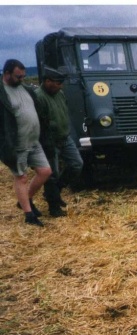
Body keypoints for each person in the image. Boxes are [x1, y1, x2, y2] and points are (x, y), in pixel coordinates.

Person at [0, 59, 51, 226]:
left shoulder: (27, 89)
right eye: (18, 76)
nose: (21, 79)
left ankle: (25, 200)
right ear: (6, 74)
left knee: (45, 171)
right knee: (21, 177)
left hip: (34, 141)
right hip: (17, 144)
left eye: (23, 76)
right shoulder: (2, 93)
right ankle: (29, 215)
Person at [35, 66, 83, 217]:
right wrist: (46, 142)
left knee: (76, 164)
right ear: (48, 81)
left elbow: (64, 112)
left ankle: (56, 191)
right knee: (52, 174)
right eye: (58, 83)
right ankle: (54, 207)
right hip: (50, 141)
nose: (61, 86)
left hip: (65, 137)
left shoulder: (59, 93)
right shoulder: (39, 97)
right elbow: (40, 123)